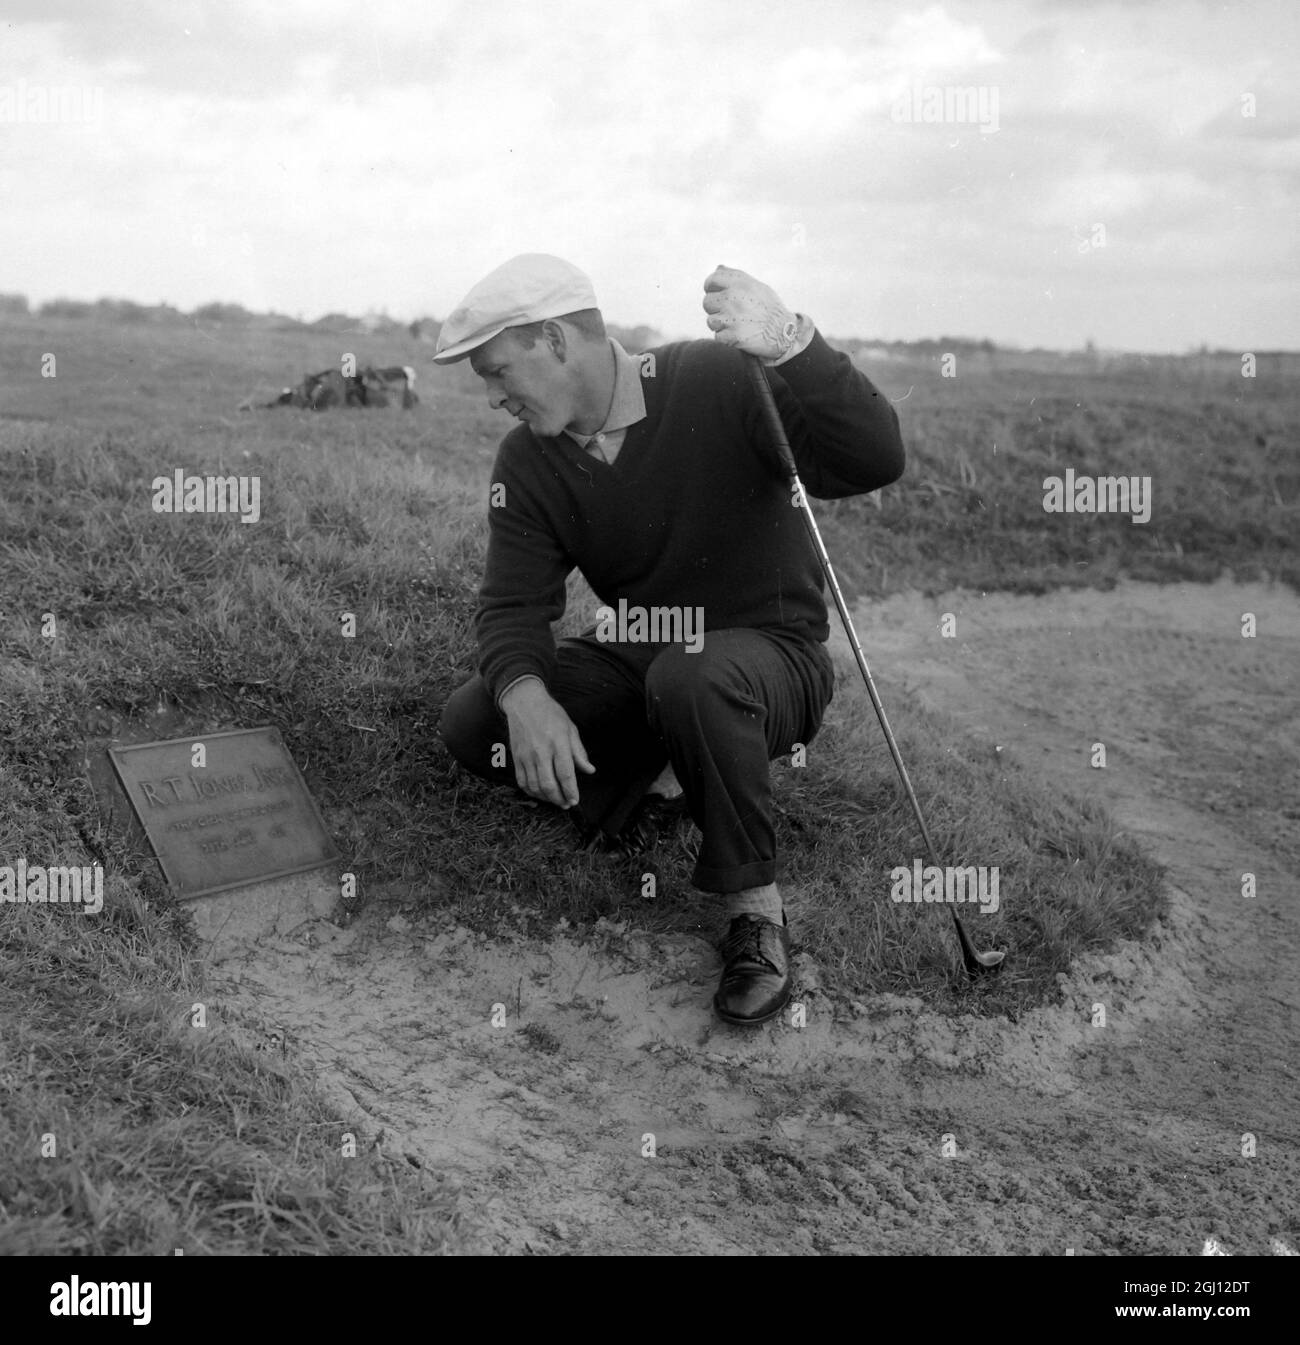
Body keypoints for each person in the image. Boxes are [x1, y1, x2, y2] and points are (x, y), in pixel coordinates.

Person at [435, 254, 905, 1025]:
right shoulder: (527, 460)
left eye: (496, 371)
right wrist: (524, 696)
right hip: (651, 658)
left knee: (694, 679)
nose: (493, 399)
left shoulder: (721, 378)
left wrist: (791, 342)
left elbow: (875, 456)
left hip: (770, 657)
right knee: (473, 717)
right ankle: (665, 788)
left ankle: (754, 912)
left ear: (554, 340)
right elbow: (511, 606)